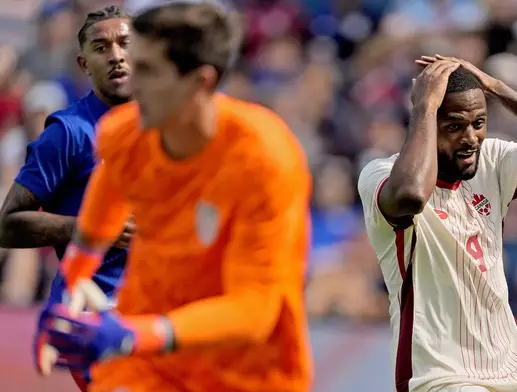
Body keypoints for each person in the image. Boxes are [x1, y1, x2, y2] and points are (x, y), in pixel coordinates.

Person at [39, 2, 312, 392]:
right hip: (146, 365)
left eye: (148, 70)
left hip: (247, 373)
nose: (133, 81)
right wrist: (66, 294)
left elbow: (254, 309)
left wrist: (137, 334)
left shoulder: (265, 159)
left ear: (200, 82)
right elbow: (96, 226)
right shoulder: (125, 133)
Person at [357, 55, 517, 392]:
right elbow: (411, 195)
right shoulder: (380, 177)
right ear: (424, 124)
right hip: (441, 375)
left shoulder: (492, 162)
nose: (471, 137)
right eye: (454, 126)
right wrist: (424, 105)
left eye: (479, 122)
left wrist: (499, 90)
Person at [0, 6, 135, 391]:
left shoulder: (163, 130)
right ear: (84, 64)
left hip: (155, 311)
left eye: (126, 44)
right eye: (101, 47)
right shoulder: (68, 134)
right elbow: (7, 226)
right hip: (96, 312)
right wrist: (91, 229)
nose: (116, 55)